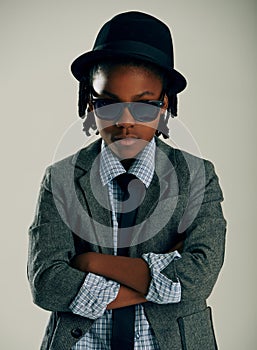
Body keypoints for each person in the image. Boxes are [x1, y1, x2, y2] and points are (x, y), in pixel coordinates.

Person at [27, 11, 226, 350]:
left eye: (145, 105)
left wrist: (91, 262)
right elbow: (47, 283)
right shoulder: (60, 179)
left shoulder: (197, 177)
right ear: (90, 102)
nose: (125, 121)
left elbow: (198, 279)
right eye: (108, 104)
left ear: (164, 104)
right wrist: (160, 281)